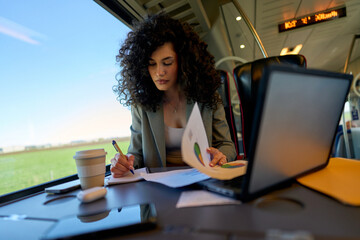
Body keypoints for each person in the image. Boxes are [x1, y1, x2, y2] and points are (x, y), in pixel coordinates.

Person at [111, 13, 236, 177]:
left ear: (183, 61)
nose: (159, 72)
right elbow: (137, 155)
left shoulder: (207, 94)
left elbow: (226, 145)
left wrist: (222, 156)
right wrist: (125, 162)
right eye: (151, 64)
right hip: (160, 190)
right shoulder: (140, 105)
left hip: (205, 183)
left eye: (167, 62)